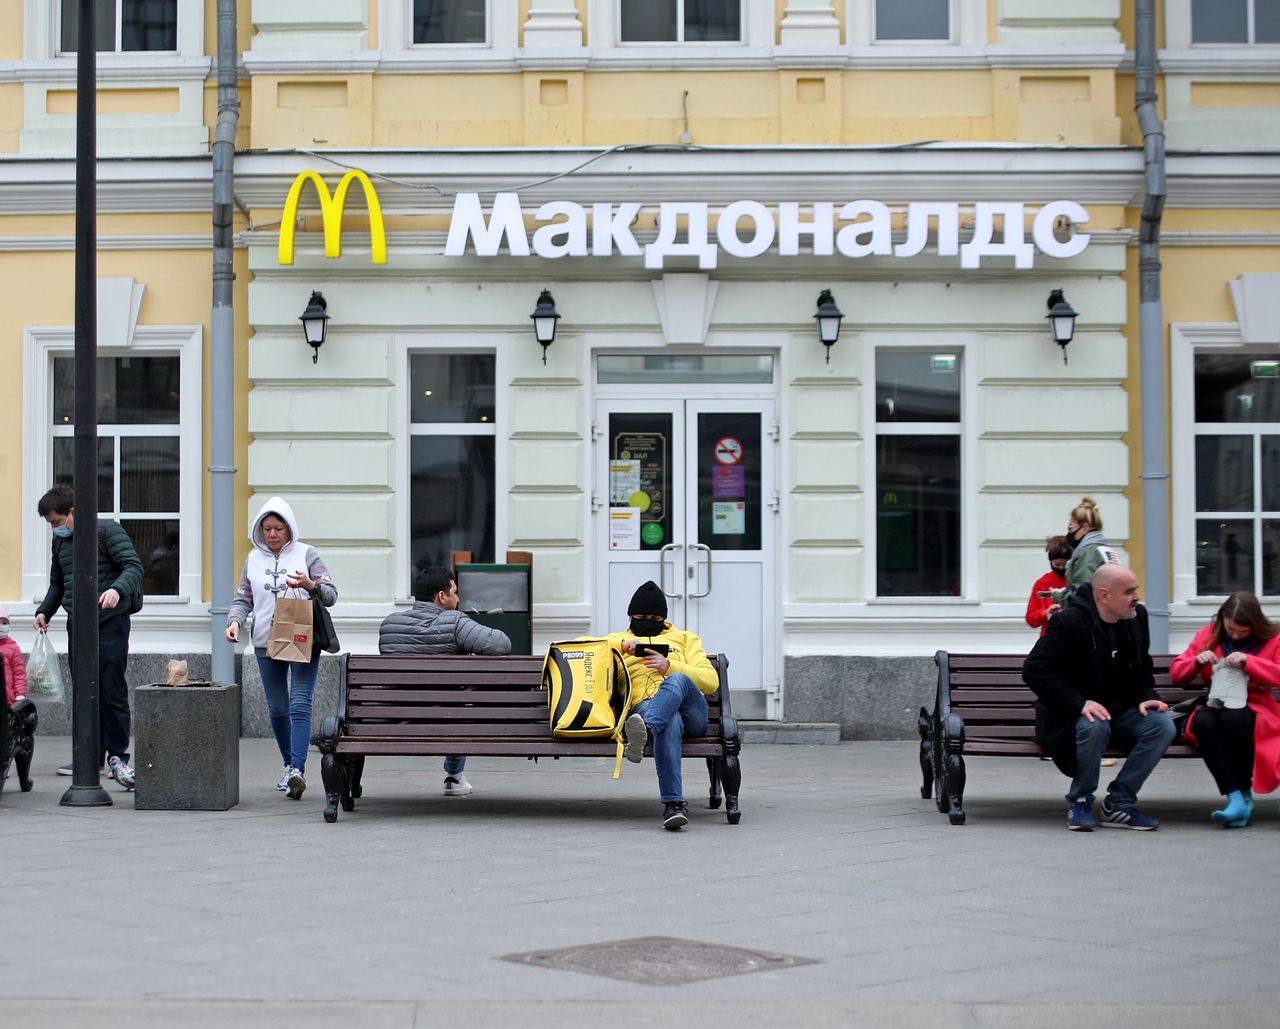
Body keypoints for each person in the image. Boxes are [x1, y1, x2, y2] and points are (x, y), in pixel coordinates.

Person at [1022, 563, 1175, 831]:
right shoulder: (1069, 621)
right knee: (1094, 722)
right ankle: (1081, 799)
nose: (1137, 597)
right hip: (1070, 717)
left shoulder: (1136, 618)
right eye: (1129, 592)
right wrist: (1079, 704)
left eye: (1136, 590)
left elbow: (1143, 667)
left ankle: (1119, 802)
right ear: (1105, 595)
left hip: (1122, 712)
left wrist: (1147, 695)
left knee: (1162, 725)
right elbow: (1035, 670)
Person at [32, 484, 143, 790]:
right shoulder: (61, 544)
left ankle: (118, 756)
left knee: (111, 690)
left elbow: (133, 567)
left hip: (110, 623)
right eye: (50, 524)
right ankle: (88, 757)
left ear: (73, 512)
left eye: (57, 522)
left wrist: (115, 590)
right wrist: (45, 612)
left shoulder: (108, 531)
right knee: (84, 692)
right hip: (77, 625)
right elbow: (58, 584)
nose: (55, 529)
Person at [225, 497, 336, 801]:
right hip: (265, 641)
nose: (272, 534)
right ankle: (288, 764)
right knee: (277, 708)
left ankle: (297, 770)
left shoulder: (307, 554)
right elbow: (242, 598)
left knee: (300, 703)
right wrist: (235, 622)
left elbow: (331, 594)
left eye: (278, 528)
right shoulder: (253, 559)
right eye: (267, 528)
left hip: (303, 638)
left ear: (289, 529)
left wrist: (310, 585)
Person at [378, 565, 511, 796]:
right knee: (461, 702)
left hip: (399, 720)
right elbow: (502, 644)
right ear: (441, 596)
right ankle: (454, 775)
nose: (458, 598)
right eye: (455, 592)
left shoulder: (389, 625)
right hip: (449, 719)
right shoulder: (455, 622)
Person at [610, 580, 719, 831]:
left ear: (664, 618)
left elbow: (711, 681)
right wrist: (619, 646)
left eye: (654, 617)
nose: (648, 619)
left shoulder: (685, 639)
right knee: (669, 721)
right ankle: (674, 805)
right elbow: (579, 646)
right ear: (630, 617)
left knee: (678, 679)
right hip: (647, 707)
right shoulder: (616, 640)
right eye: (641, 616)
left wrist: (670, 666)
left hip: (692, 713)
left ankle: (646, 731)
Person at [1168, 592, 1280, 828]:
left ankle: (1244, 793)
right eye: (1231, 629)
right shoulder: (1208, 635)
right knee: (1202, 723)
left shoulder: (1273, 638)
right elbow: (1177, 673)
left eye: (1243, 631)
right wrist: (1196, 662)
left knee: (1232, 720)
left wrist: (1250, 662)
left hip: (1256, 706)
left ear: (1256, 625)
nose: (1236, 635)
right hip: (1216, 702)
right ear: (1222, 621)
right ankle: (1235, 797)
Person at [1057, 496, 1121, 602]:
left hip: (1089, 616)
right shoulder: (1104, 548)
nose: (1069, 533)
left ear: (1085, 528)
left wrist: (1059, 596)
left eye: (1070, 528)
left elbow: (1082, 595)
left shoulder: (1087, 553)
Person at [1025, 535, 1072, 636]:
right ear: (1051, 562)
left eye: (1065, 565)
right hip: (1050, 639)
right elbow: (1031, 619)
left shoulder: (1077, 580)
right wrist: (1046, 612)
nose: (1061, 568)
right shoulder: (1042, 583)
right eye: (1057, 564)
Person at [0, 605, 27, 707]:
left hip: (8, 701)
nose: (1, 626)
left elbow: (19, 673)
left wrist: (20, 694)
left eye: (4, 623)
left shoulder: (13, 648)